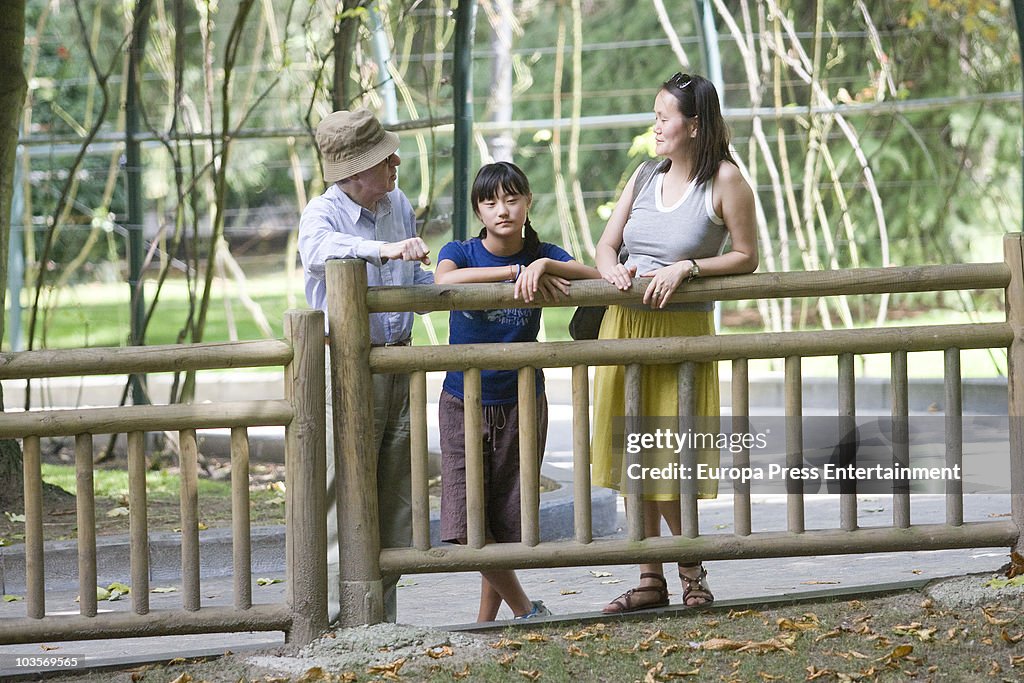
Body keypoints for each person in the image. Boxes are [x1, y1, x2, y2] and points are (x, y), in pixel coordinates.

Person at [591, 73, 758, 613]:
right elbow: (605, 244)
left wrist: (688, 267)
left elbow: (746, 255)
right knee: (631, 451)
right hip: (626, 327)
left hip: (680, 333)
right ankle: (649, 578)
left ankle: (691, 571)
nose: (656, 126)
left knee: (667, 459)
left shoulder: (725, 180)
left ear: (694, 125)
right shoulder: (643, 176)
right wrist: (613, 271)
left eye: (664, 117)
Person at [434, 161, 600, 621]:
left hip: (523, 400)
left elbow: (594, 278)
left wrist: (542, 264)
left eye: (512, 199)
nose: (502, 210)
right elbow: (442, 280)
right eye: (491, 202)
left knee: (507, 517)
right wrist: (513, 274)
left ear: (528, 202)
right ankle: (526, 608)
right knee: (470, 521)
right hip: (463, 400)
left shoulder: (544, 251)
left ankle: (486, 623)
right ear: (478, 210)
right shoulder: (462, 251)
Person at [298, 108, 433, 623]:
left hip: (397, 364)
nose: (396, 161)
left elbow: (415, 284)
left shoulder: (397, 202)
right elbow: (316, 252)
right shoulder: (323, 214)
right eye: (383, 158)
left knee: (395, 491)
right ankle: (334, 620)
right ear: (353, 173)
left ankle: (381, 618)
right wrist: (382, 249)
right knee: (341, 492)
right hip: (346, 371)